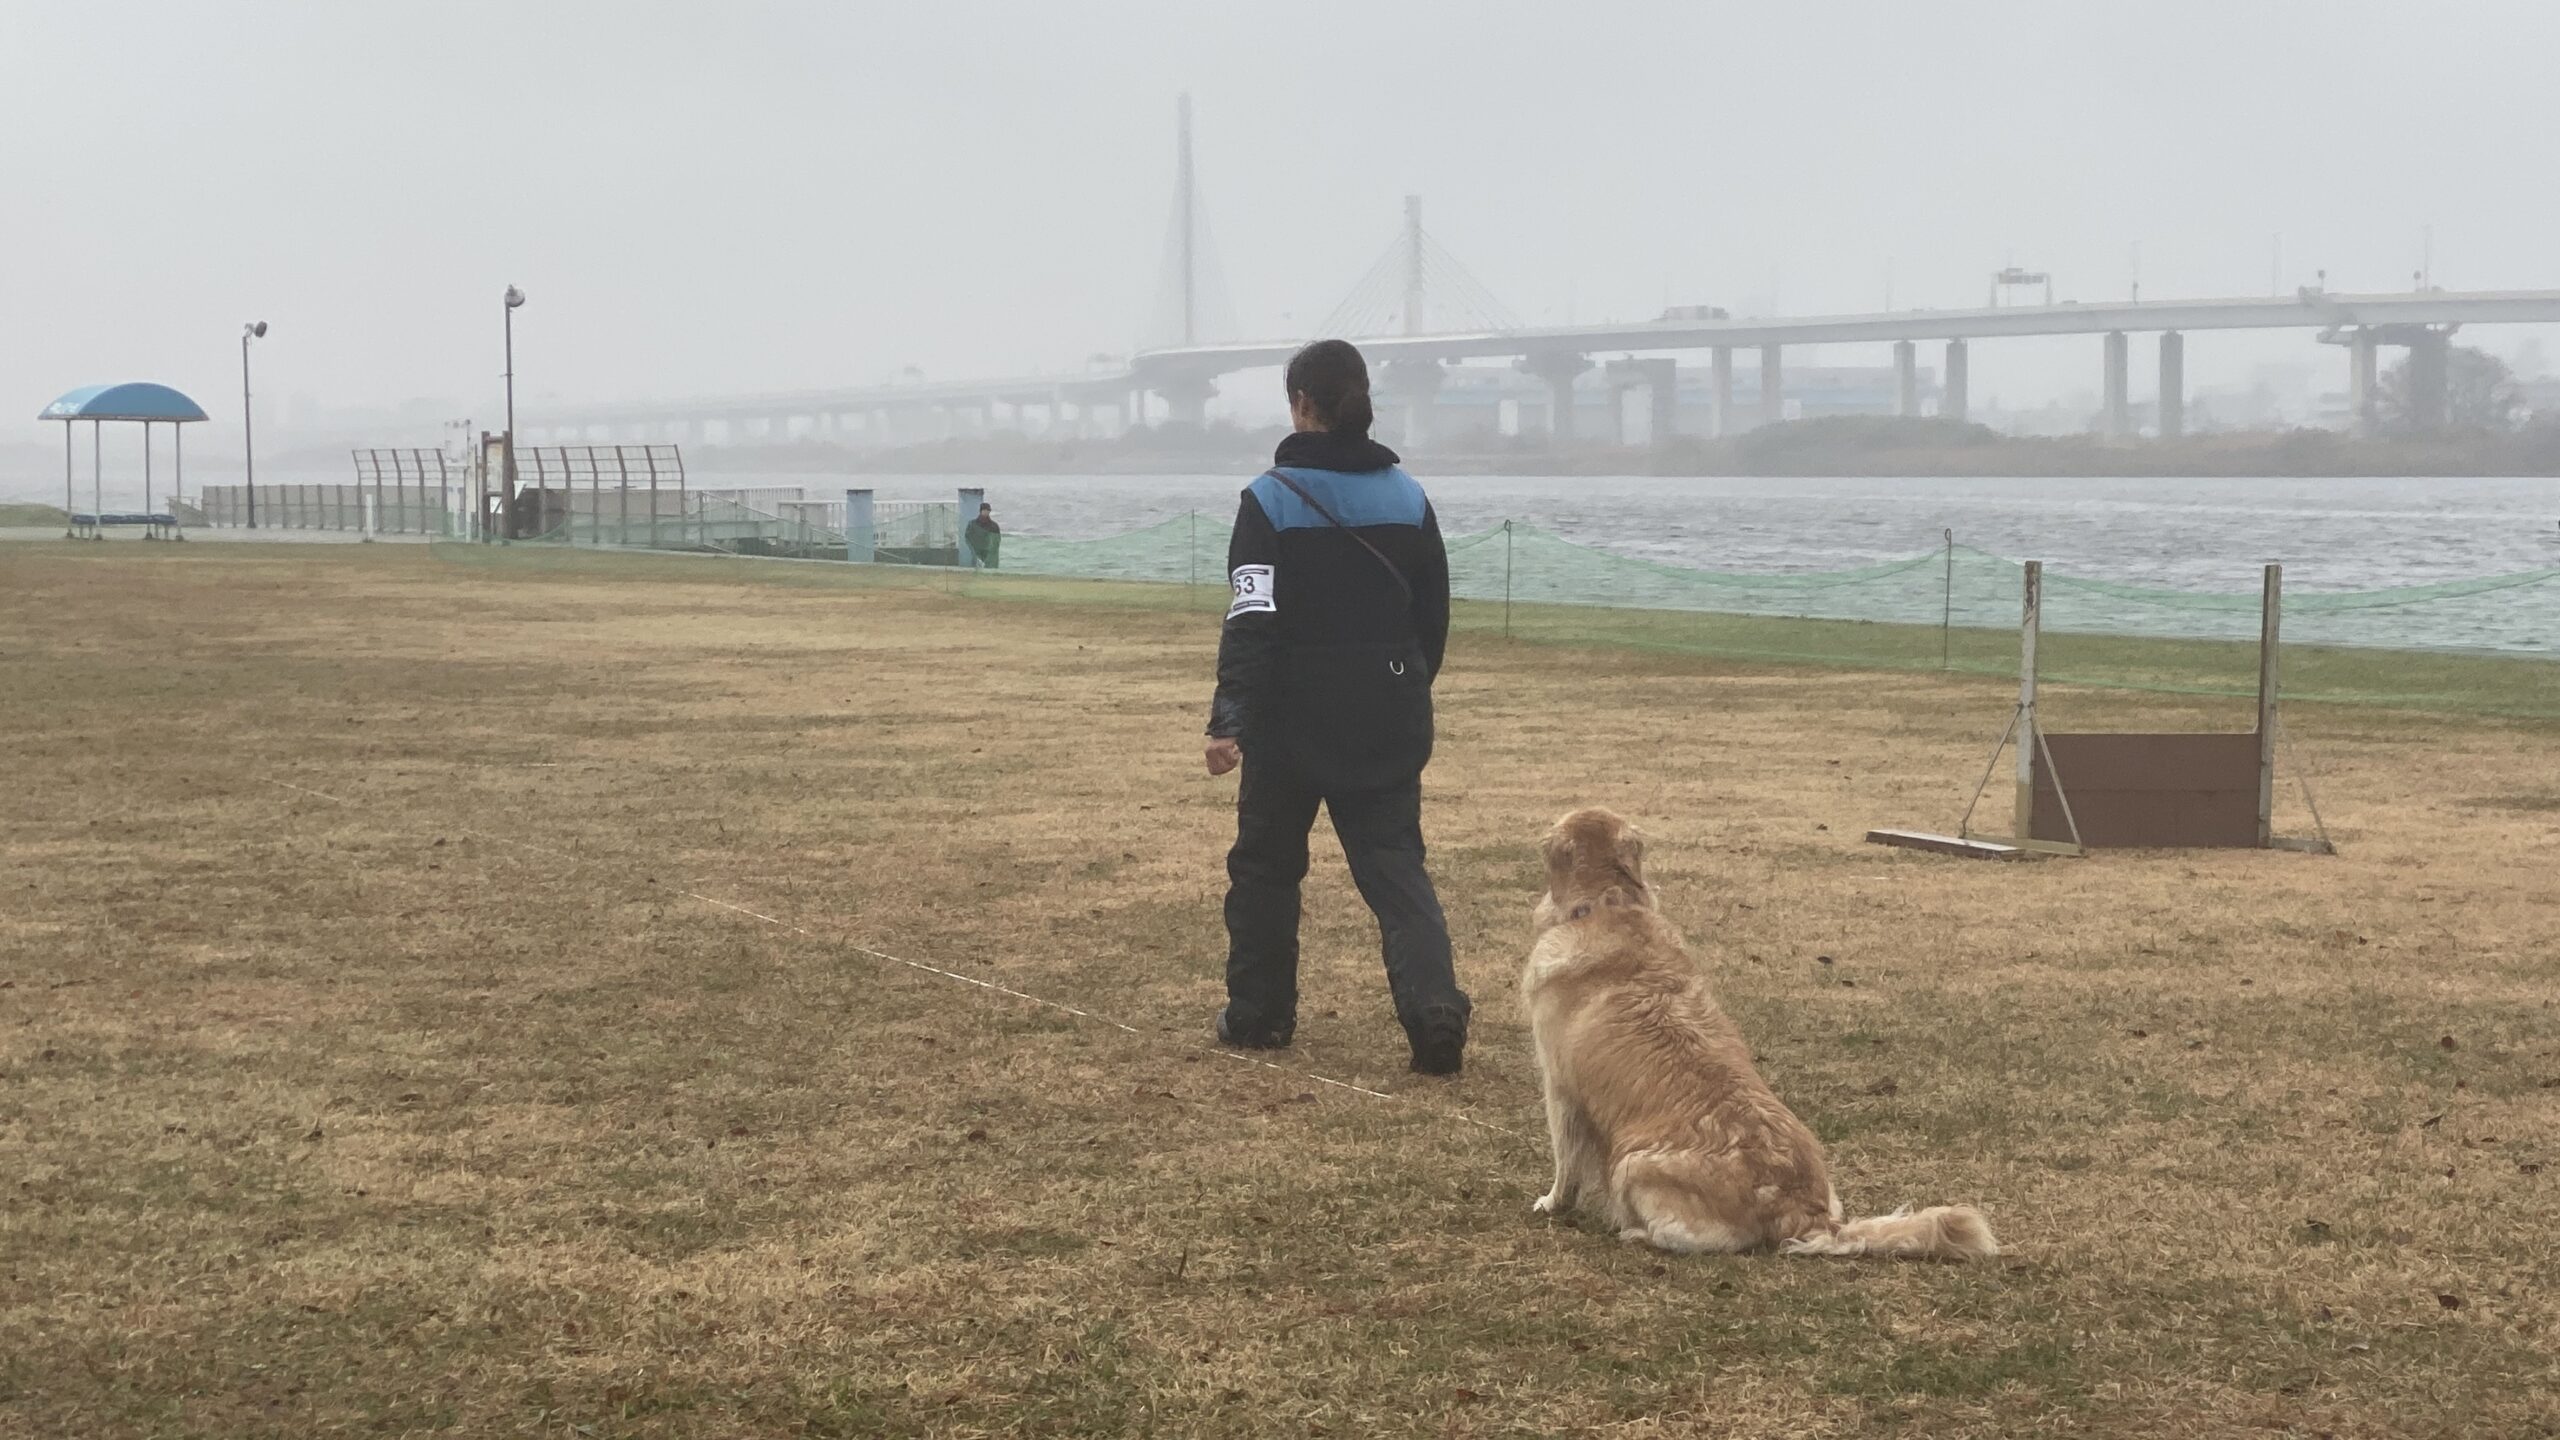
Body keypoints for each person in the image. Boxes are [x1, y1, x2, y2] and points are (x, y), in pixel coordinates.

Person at [1202, 339, 1470, 1075]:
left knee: (1266, 868)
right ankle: (1435, 1011)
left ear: (1300, 404)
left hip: (1288, 720)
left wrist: (1230, 717)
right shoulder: (1408, 497)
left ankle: (1259, 1016)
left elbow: (1251, 616)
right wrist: (1405, 685)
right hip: (1388, 710)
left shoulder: (1268, 500)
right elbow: (1433, 616)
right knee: (1396, 868)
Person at [964, 502, 1002, 569]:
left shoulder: (994, 526)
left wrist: (991, 554)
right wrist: (974, 552)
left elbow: (997, 542)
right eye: (984, 510)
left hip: (989, 555)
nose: (986, 512)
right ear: (981, 511)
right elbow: (968, 538)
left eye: (988, 510)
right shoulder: (972, 524)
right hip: (976, 553)